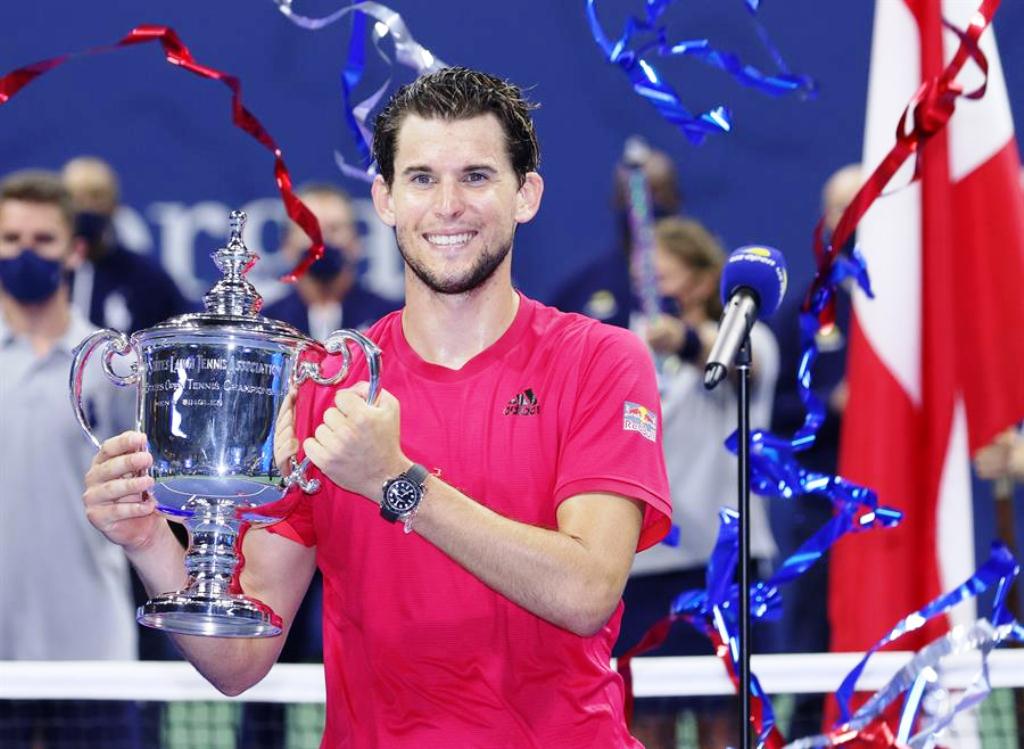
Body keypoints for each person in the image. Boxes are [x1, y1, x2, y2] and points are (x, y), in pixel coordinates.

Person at [82, 67, 672, 748]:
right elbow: (240, 660)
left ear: (526, 195)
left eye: (477, 176)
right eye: (421, 178)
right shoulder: (323, 381)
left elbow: (586, 590)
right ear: (386, 199)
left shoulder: (600, 360)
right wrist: (151, 541)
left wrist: (396, 481)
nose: (448, 204)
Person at [614, 217, 779, 749]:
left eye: (665, 276)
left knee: (726, 724)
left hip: (725, 567)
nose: (654, 288)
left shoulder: (753, 348)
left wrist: (682, 338)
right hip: (644, 570)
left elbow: (716, 354)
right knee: (645, 724)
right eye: (646, 276)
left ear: (704, 281)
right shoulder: (626, 359)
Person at [0, 170, 138, 747]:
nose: (25, 253)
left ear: (75, 250)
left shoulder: (111, 365)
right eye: (10, 240)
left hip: (93, 649)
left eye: (43, 241)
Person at [767, 163, 860, 738]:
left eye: (859, 206)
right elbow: (771, 410)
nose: (848, 222)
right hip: (818, 509)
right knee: (811, 640)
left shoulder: (917, 308)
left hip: (897, 504)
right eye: (837, 209)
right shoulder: (805, 312)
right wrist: (831, 403)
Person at [549, 143, 682, 328]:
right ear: (616, 200)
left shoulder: (701, 283)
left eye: (656, 192)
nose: (642, 206)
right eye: (631, 194)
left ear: (674, 198)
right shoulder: (582, 288)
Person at [62, 155, 194, 333]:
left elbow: (183, 330)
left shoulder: (145, 276)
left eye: (96, 197)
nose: (86, 207)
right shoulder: (50, 273)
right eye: (75, 198)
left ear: (114, 204)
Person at [262, 182, 399, 339]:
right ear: (287, 245)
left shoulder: (389, 322)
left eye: (335, 228)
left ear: (356, 242)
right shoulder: (268, 325)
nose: (322, 240)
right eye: (309, 228)